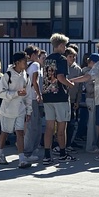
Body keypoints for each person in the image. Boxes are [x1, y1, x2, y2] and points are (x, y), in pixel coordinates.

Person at [0, 51, 32, 168]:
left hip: (20, 110)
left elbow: (28, 94)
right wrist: (16, 93)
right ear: (17, 62)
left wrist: (29, 110)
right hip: (7, 110)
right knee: (5, 132)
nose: (26, 63)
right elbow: (0, 93)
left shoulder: (26, 75)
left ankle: (22, 158)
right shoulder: (7, 75)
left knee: (20, 132)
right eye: (24, 61)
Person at [41, 34, 74, 164]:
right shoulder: (62, 59)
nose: (65, 48)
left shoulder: (47, 59)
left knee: (49, 127)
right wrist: (70, 84)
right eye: (64, 45)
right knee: (61, 128)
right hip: (60, 96)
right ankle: (62, 154)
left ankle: (47, 155)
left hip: (47, 95)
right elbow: (60, 77)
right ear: (60, 45)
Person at [22, 47, 44, 162]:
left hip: (25, 97)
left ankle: (31, 149)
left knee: (31, 124)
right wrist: (39, 94)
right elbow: (35, 81)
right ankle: (29, 151)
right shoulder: (35, 65)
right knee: (33, 125)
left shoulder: (24, 65)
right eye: (37, 54)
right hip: (33, 98)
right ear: (33, 55)